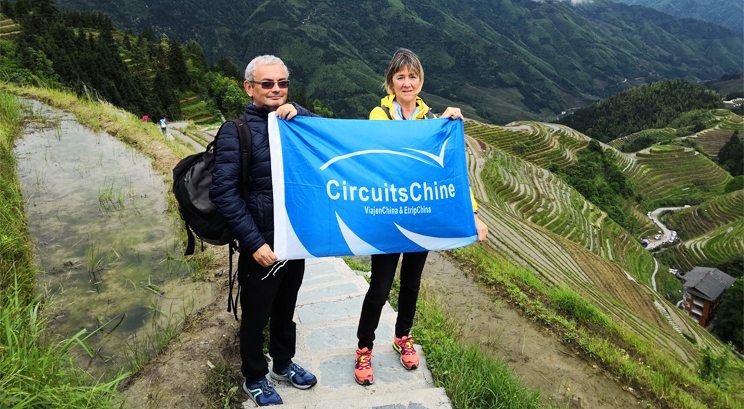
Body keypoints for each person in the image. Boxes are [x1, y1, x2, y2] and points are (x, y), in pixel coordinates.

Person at [354, 49, 489, 386]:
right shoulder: (379, 115)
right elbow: (389, 158)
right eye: (400, 77)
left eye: (413, 76)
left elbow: (450, 171)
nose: (407, 83)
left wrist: (471, 213)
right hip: (388, 215)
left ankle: (403, 337)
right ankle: (364, 348)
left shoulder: (433, 121)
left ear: (420, 80)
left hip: (421, 216)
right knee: (381, 288)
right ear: (390, 83)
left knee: (411, 285)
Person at [210, 55, 320, 406]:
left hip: (294, 239)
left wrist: (300, 112)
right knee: (256, 315)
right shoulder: (236, 131)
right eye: (267, 83)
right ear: (249, 88)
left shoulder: (295, 122)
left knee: (286, 308)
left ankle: (283, 364)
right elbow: (223, 193)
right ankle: (255, 376)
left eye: (282, 83)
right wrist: (253, 242)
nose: (276, 89)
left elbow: (331, 138)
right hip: (261, 244)